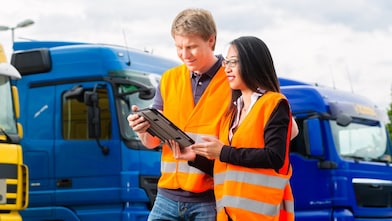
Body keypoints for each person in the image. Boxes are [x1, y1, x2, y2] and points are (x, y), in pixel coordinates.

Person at [171, 36, 296, 221]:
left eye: (233, 62)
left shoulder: (274, 103)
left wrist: (222, 151)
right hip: (228, 215)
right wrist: (196, 158)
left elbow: (275, 157)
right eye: (225, 63)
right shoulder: (232, 113)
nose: (227, 68)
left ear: (252, 63)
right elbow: (228, 165)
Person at [127, 8, 231, 221]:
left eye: (191, 47)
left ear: (211, 40)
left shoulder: (232, 81)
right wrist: (142, 130)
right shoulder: (169, 79)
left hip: (210, 197)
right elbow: (151, 142)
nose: (184, 54)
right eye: (179, 47)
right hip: (167, 196)